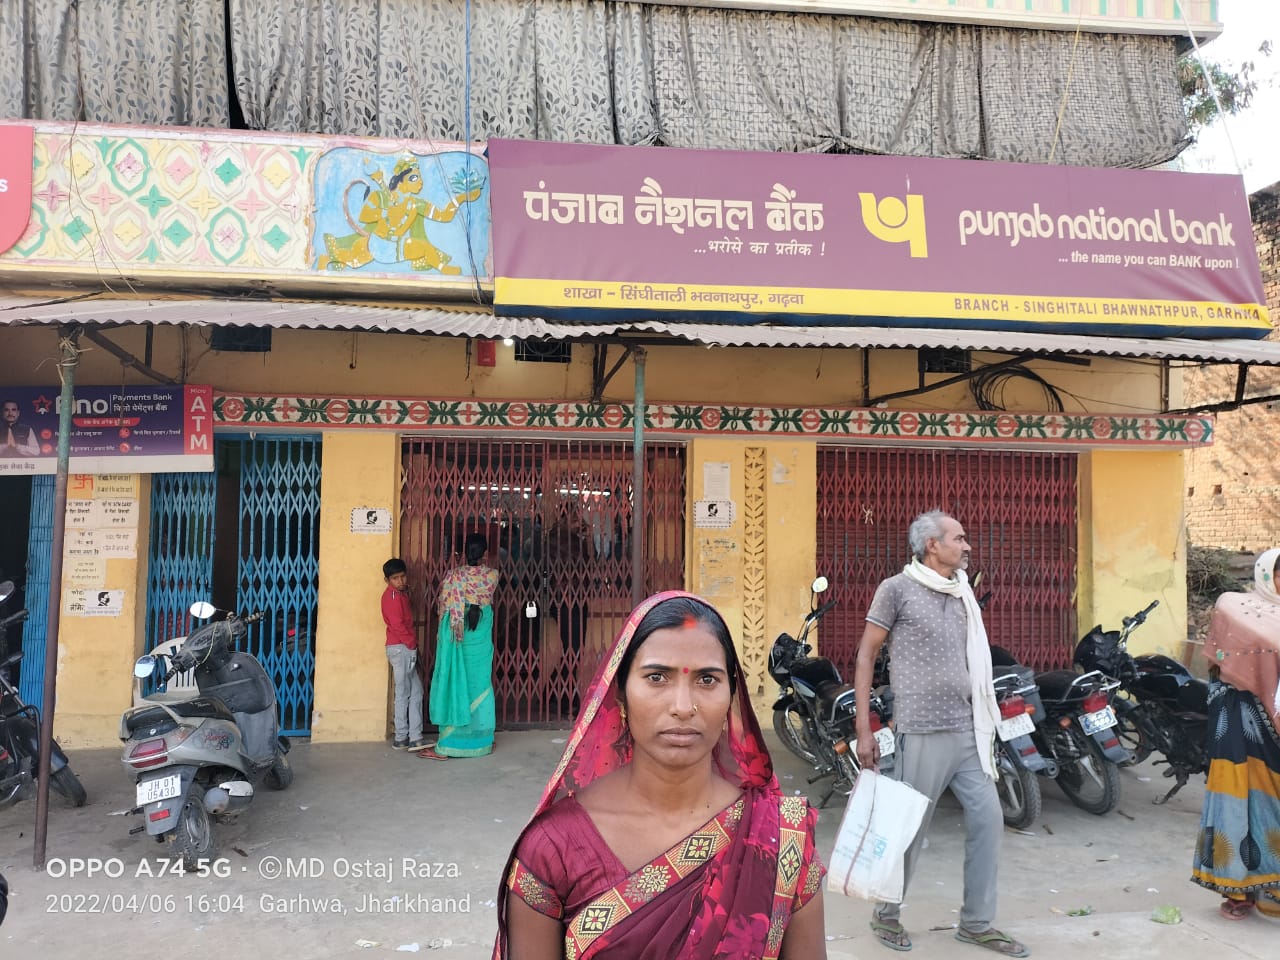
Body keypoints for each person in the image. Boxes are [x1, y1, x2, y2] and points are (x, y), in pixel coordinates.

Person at [494, 591, 827, 960]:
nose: (683, 707)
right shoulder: (553, 847)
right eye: (656, 677)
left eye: (707, 680)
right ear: (620, 693)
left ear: (732, 695)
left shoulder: (781, 838)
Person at [853, 510, 1027, 957]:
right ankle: (886, 914)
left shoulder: (962, 590)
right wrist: (864, 729)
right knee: (910, 830)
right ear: (932, 544)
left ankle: (976, 923)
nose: (967, 546)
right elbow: (866, 655)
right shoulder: (896, 589)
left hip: (968, 730)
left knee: (988, 821)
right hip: (921, 729)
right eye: (959, 538)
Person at [1193, 547, 1280, 920]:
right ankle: (1238, 891)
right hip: (1235, 725)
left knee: (1271, 805)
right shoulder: (1233, 607)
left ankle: (1272, 891)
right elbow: (1218, 659)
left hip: (1274, 730)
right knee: (1234, 803)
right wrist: (1243, 673)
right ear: (1266, 574)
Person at [421, 533, 500, 760]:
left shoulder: (453, 576)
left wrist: (443, 633)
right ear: (485, 554)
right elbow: (480, 600)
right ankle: (482, 740)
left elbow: (443, 607)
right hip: (480, 640)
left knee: (456, 682)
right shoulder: (492, 576)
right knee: (481, 685)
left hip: (458, 640)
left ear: (464, 552)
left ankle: (450, 745)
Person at [381, 558, 427, 751]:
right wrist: (412, 645)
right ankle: (401, 737)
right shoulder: (392, 597)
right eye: (395, 578)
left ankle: (415, 737)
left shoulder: (399, 595)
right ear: (387, 580)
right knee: (404, 693)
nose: (400, 581)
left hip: (403, 647)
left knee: (415, 691)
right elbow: (398, 626)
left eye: (402, 576)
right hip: (401, 648)